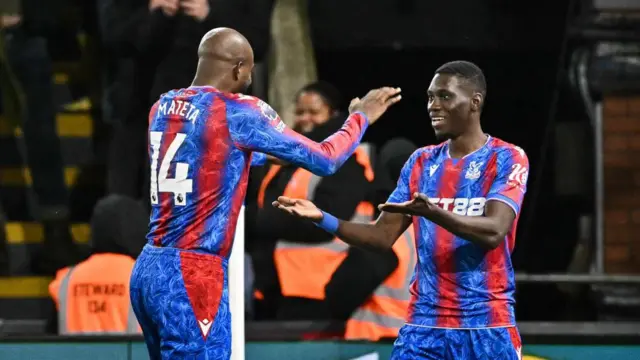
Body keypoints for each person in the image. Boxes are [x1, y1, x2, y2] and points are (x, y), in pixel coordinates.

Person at [128, 27, 401, 359]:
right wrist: (360, 118)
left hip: (149, 268)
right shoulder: (239, 110)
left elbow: (224, 156)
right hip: (193, 272)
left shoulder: (163, 107)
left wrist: (278, 148)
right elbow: (326, 160)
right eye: (251, 70)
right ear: (239, 68)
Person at [273, 60, 529, 359]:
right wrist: (323, 218)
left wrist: (433, 213)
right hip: (424, 327)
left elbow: (495, 230)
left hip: (485, 326)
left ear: (475, 102)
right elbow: (381, 237)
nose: (434, 105)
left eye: (445, 96)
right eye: (430, 97)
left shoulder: (506, 157)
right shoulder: (422, 162)